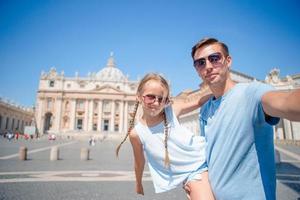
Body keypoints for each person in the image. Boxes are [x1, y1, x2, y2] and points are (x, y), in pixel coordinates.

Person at [187, 37, 300, 200]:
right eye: (201, 62)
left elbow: (286, 101)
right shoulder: (205, 110)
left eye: (215, 58)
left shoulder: (251, 93)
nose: (209, 66)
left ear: (228, 61)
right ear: (197, 69)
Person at [116, 73, 215, 200]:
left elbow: (199, 100)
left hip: (204, 159)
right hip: (193, 172)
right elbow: (139, 162)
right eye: (151, 97)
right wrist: (138, 183)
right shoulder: (136, 134)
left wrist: (223, 87)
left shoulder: (172, 110)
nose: (157, 103)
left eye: (162, 99)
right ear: (139, 97)